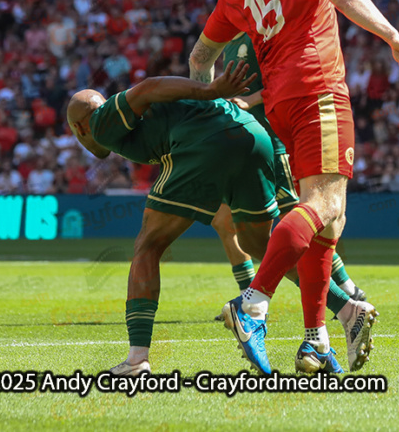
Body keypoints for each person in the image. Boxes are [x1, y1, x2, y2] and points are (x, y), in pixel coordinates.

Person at [190, 0, 399, 375]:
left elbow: (200, 57)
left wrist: (210, 105)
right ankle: (252, 303)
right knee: (324, 206)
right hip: (318, 90)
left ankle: (316, 340)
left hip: (280, 105)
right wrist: (393, 36)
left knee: (328, 222)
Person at [66, 63, 280, 375]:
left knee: (148, 245)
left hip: (206, 142)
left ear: (79, 127)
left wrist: (211, 89)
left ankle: (137, 360)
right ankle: (339, 311)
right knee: (264, 246)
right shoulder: (129, 124)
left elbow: (148, 87)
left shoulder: (100, 122)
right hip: (252, 134)